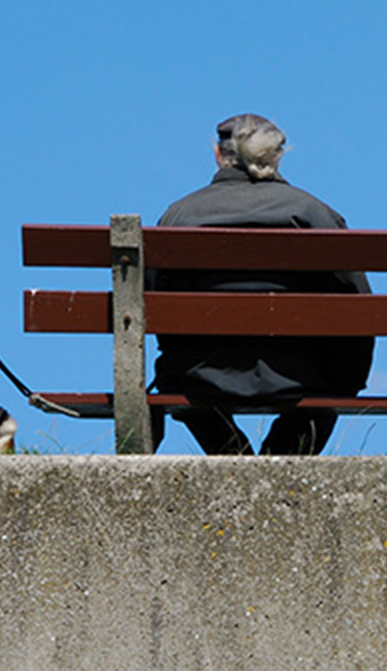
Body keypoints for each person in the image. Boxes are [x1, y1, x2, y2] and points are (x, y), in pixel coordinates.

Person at [148, 113, 373, 455]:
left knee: (175, 379)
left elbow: (153, 305)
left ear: (219, 154)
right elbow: (358, 306)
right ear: (276, 155)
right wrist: (348, 379)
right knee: (332, 383)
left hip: (200, 377)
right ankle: (280, 462)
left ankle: (232, 457)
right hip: (301, 378)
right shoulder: (315, 214)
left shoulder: (180, 217)